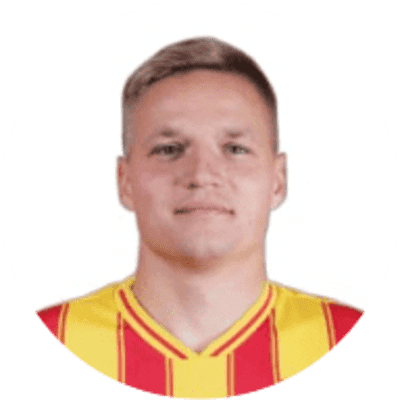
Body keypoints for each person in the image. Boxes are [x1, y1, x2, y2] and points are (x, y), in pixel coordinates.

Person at [36, 37, 364, 399]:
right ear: (125, 181)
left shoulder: (351, 343)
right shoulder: (46, 344)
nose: (202, 174)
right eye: (169, 149)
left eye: (235, 149)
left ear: (278, 180)